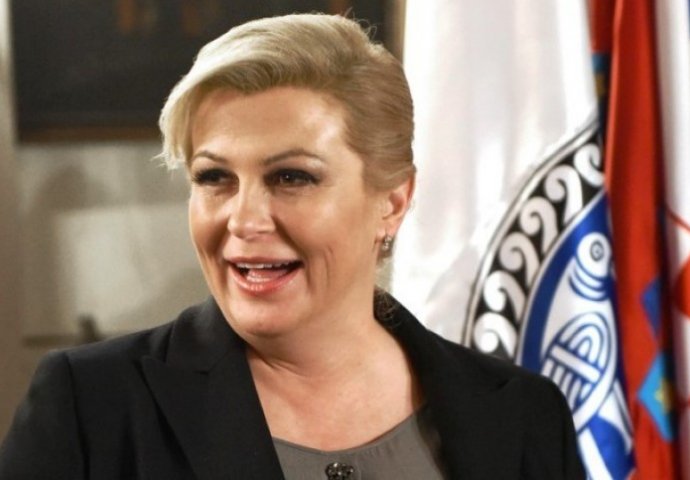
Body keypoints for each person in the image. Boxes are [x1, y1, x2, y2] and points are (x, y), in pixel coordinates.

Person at [0, 13, 584, 480]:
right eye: (214, 178)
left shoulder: (522, 414)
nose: (243, 219)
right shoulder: (90, 406)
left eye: (291, 177)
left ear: (392, 201)